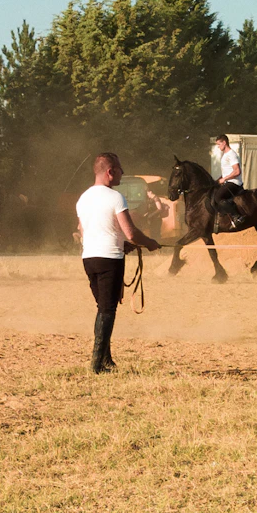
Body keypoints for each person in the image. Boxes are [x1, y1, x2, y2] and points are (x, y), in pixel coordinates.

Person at [76, 152, 161, 374]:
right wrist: (149, 242)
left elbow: (84, 231)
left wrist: (123, 244)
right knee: (107, 310)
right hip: (109, 259)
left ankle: (105, 359)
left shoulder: (83, 198)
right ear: (110, 171)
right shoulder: (115, 197)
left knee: (102, 308)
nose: (122, 172)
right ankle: (97, 364)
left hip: (89, 258)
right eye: (120, 169)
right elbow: (131, 232)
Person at [212, 134, 246, 231]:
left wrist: (224, 179)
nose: (218, 147)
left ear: (224, 142)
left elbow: (237, 171)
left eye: (219, 144)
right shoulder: (225, 155)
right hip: (228, 181)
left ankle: (237, 216)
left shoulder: (231, 154)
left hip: (234, 183)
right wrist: (219, 180)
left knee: (218, 197)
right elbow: (228, 171)